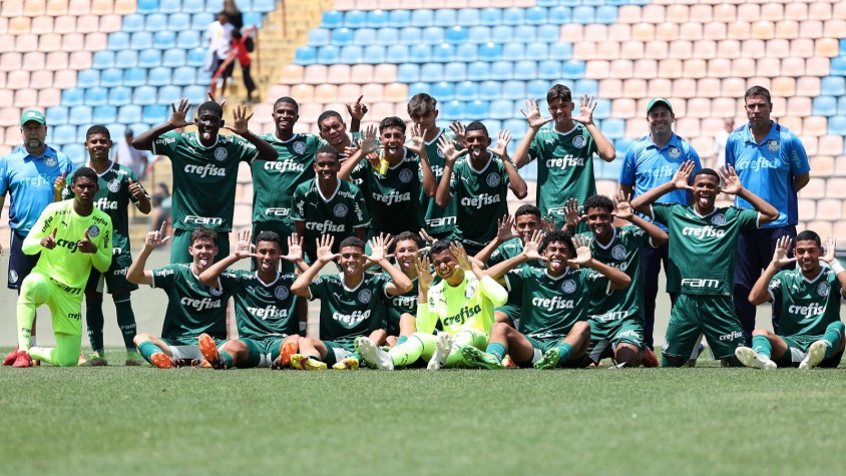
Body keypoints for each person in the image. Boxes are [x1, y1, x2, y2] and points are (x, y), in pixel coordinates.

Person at [630, 162, 779, 367]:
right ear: (693, 187)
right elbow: (637, 204)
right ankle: (692, 349)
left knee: (737, 361)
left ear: (718, 190)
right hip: (685, 300)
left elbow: (773, 214)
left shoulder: (731, 216)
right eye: (700, 185)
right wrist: (672, 185)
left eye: (710, 186)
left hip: (718, 300)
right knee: (669, 363)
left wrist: (741, 191)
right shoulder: (676, 213)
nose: (705, 190)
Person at [132, 100, 277, 263]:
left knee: (216, 284)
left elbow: (272, 155)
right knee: (179, 281)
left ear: (221, 123)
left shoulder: (232, 146)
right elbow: (138, 143)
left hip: (218, 228)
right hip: (186, 226)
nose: (208, 124)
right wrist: (171, 124)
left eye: (213, 120)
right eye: (204, 119)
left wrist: (246, 134)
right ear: (196, 122)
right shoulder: (180, 142)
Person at [461, 230, 631, 370]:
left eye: (563, 250)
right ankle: (492, 359)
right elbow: (487, 277)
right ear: (544, 253)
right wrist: (523, 257)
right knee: (499, 327)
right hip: (532, 347)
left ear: (570, 255)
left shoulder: (582, 277)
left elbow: (625, 281)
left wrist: (591, 262)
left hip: (567, 348)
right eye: (553, 249)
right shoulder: (529, 275)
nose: (557, 254)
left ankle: (557, 355)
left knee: (583, 326)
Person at [60, 126, 151, 367]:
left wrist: (140, 195)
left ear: (110, 144)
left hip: (117, 248)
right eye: (94, 141)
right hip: (85, 250)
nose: (98, 145)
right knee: (92, 299)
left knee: (123, 298)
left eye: (103, 141)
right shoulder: (76, 176)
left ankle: (132, 353)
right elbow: (64, 213)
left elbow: (145, 209)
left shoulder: (123, 174)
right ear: (86, 145)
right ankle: (98, 354)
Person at [726, 85, 811, 343]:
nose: (756, 110)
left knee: (783, 287)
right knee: (742, 288)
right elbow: (733, 179)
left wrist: (778, 202)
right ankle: (743, 342)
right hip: (745, 225)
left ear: (770, 108)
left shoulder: (787, 139)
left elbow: (802, 177)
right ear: (745, 109)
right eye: (751, 106)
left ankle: (787, 342)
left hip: (780, 227)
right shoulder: (734, 139)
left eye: (761, 105)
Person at [618, 98, 702, 352]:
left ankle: (682, 343)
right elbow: (625, 189)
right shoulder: (636, 150)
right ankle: (642, 344)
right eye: (654, 115)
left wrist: (693, 223)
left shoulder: (686, 150)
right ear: (648, 120)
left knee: (679, 290)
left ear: (672, 117)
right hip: (644, 231)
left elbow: (698, 189)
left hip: (678, 231)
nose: (659, 119)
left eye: (664, 114)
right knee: (645, 290)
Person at [9, 167, 113, 367]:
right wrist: (42, 241)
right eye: (81, 186)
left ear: (97, 189)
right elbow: (26, 246)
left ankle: (31, 352)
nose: (86, 191)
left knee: (67, 361)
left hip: (72, 295)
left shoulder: (103, 221)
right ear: (72, 187)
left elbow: (105, 264)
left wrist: (93, 250)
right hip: (46, 281)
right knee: (29, 284)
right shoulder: (55, 210)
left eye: (91, 187)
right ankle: (23, 349)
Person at [356, 240, 508, 371]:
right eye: (437, 264)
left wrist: (472, 267)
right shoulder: (436, 291)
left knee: (468, 334)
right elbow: (424, 330)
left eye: (447, 260)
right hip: (447, 346)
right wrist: (423, 289)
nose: (442, 266)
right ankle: (388, 359)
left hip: (478, 346)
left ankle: (443, 359)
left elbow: (501, 298)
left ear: (459, 258)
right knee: (417, 338)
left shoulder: (475, 279)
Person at [1, 110, 74, 365]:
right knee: (25, 292)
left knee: (62, 289)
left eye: (37, 127)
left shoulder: (62, 160)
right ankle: (27, 349)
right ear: (22, 131)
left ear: (45, 130)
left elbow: (71, 202)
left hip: (55, 238)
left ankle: (68, 344)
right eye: (28, 128)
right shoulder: (9, 162)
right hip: (23, 236)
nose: (33, 132)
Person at [570, 193, 668, 368]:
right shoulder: (583, 241)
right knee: (571, 364)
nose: (598, 221)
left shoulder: (629, 235)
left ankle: (637, 349)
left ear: (612, 216)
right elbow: (553, 252)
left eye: (603, 217)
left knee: (626, 362)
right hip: (595, 320)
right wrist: (568, 226)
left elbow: (662, 238)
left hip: (626, 318)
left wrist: (632, 217)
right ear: (586, 219)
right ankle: (605, 349)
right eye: (593, 217)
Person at [289, 234, 412, 370]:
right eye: (346, 256)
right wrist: (320, 262)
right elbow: (296, 288)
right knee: (304, 341)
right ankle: (313, 362)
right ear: (339, 259)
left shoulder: (375, 281)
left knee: (380, 333)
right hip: (335, 346)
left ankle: (354, 358)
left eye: (356, 256)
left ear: (364, 259)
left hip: (366, 346)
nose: (351, 260)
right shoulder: (328, 281)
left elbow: (406, 285)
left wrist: (381, 260)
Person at [197, 230, 308, 369]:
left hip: (279, 342)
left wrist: (299, 261)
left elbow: (318, 286)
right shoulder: (241, 279)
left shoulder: (291, 280)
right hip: (250, 344)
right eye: (263, 251)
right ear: (255, 252)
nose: (267, 256)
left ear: (280, 253)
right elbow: (204, 278)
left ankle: (282, 360)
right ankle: (219, 361)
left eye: (272, 252)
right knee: (233, 345)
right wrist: (235, 256)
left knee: (295, 339)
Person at [512, 85, 616, 228]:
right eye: (554, 107)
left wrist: (590, 124)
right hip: (550, 216)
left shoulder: (585, 133)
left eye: (563, 106)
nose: (559, 111)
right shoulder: (542, 137)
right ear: (549, 110)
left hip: (583, 215)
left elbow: (610, 155)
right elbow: (515, 163)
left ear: (572, 106)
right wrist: (532, 128)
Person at [738, 233, 846, 370]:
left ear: (821, 252)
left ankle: (819, 350)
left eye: (811, 251)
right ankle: (763, 360)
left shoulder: (831, 277)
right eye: (801, 251)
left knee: (838, 326)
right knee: (759, 332)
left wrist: (833, 262)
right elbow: (754, 298)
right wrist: (773, 265)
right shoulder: (785, 277)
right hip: (790, 345)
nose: (806, 256)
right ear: (794, 253)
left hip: (825, 350)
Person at [127, 226, 229, 369]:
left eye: (208, 247)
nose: (204, 251)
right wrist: (147, 249)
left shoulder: (226, 277)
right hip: (175, 345)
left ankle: (213, 359)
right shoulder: (176, 272)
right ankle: (166, 361)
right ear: (190, 250)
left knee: (236, 345)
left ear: (216, 250)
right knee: (140, 338)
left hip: (212, 344)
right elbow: (133, 277)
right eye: (199, 247)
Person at [436, 122, 527, 255]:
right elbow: (440, 202)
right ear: (465, 143)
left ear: (488, 141)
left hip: (497, 241)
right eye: (471, 140)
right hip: (465, 242)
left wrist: (505, 157)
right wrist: (449, 163)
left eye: (480, 139)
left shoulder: (500, 163)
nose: (476, 143)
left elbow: (521, 192)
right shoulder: (458, 166)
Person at [252, 97, 322, 267]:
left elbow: (338, 146)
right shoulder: (258, 144)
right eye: (281, 112)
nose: (285, 115)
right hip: (264, 219)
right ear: (273, 115)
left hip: (295, 222)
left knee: (293, 276)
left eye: (290, 113)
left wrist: (355, 122)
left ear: (297, 117)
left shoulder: (309, 143)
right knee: (262, 272)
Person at [341, 118, 435, 237]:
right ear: (380, 140)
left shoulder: (414, 157)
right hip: (379, 233)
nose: (392, 140)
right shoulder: (371, 158)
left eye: (397, 136)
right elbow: (338, 178)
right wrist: (361, 153)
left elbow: (431, 191)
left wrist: (423, 154)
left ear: (404, 139)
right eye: (387, 136)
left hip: (411, 233)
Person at [474, 205, 548, 328]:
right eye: (522, 225)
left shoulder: (550, 247)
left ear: (541, 225)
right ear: (515, 227)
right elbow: (475, 266)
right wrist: (498, 240)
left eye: (532, 224)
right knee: (494, 320)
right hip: (514, 305)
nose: (527, 229)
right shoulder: (508, 247)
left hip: (544, 303)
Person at [291, 145, 369, 262]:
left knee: (353, 277)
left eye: (331, 164)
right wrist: (300, 261)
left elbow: (360, 233)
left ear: (338, 166)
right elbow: (299, 232)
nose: (326, 168)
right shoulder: (303, 191)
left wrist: (359, 260)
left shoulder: (353, 192)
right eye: (322, 164)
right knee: (304, 278)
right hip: (311, 249)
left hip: (344, 249)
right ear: (315, 167)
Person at [407, 93, 463, 240]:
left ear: (436, 113)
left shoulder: (453, 139)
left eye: (426, 115)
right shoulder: (409, 148)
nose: (422, 120)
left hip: (456, 224)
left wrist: (465, 147)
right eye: (416, 116)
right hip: (424, 227)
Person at [205, 12, 235, 97]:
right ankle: (212, 95)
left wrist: (229, 50)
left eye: (224, 19)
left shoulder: (230, 28)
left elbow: (233, 43)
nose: (222, 20)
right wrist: (211, 48)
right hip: (215, 55)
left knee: (224, 76)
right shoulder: (212, 26)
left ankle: (222, 95)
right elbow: (209, 39)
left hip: (225, 55)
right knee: (214, 76)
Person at [230, 29, 256, 104]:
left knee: (246, 80)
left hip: (246, 62)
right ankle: (253, 87)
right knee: (246, 78)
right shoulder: (234, 42)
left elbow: (250, 47)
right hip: (241, 63)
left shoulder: (242, 41)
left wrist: (248, 35)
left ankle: (250, 95)